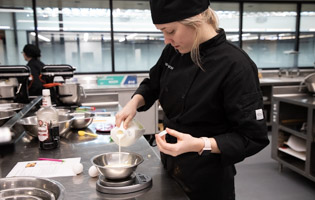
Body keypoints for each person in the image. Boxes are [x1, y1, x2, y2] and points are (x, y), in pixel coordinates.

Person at [115, 0, 270, 199]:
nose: (166, 40)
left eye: (170, 31)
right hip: (169, 165)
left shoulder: (236, 65)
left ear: (196, 20)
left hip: (207, 177)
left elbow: (252, 137)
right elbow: (154, 83)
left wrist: (199, 144)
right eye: (162, 32)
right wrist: (134, 103)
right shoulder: (174, 52)